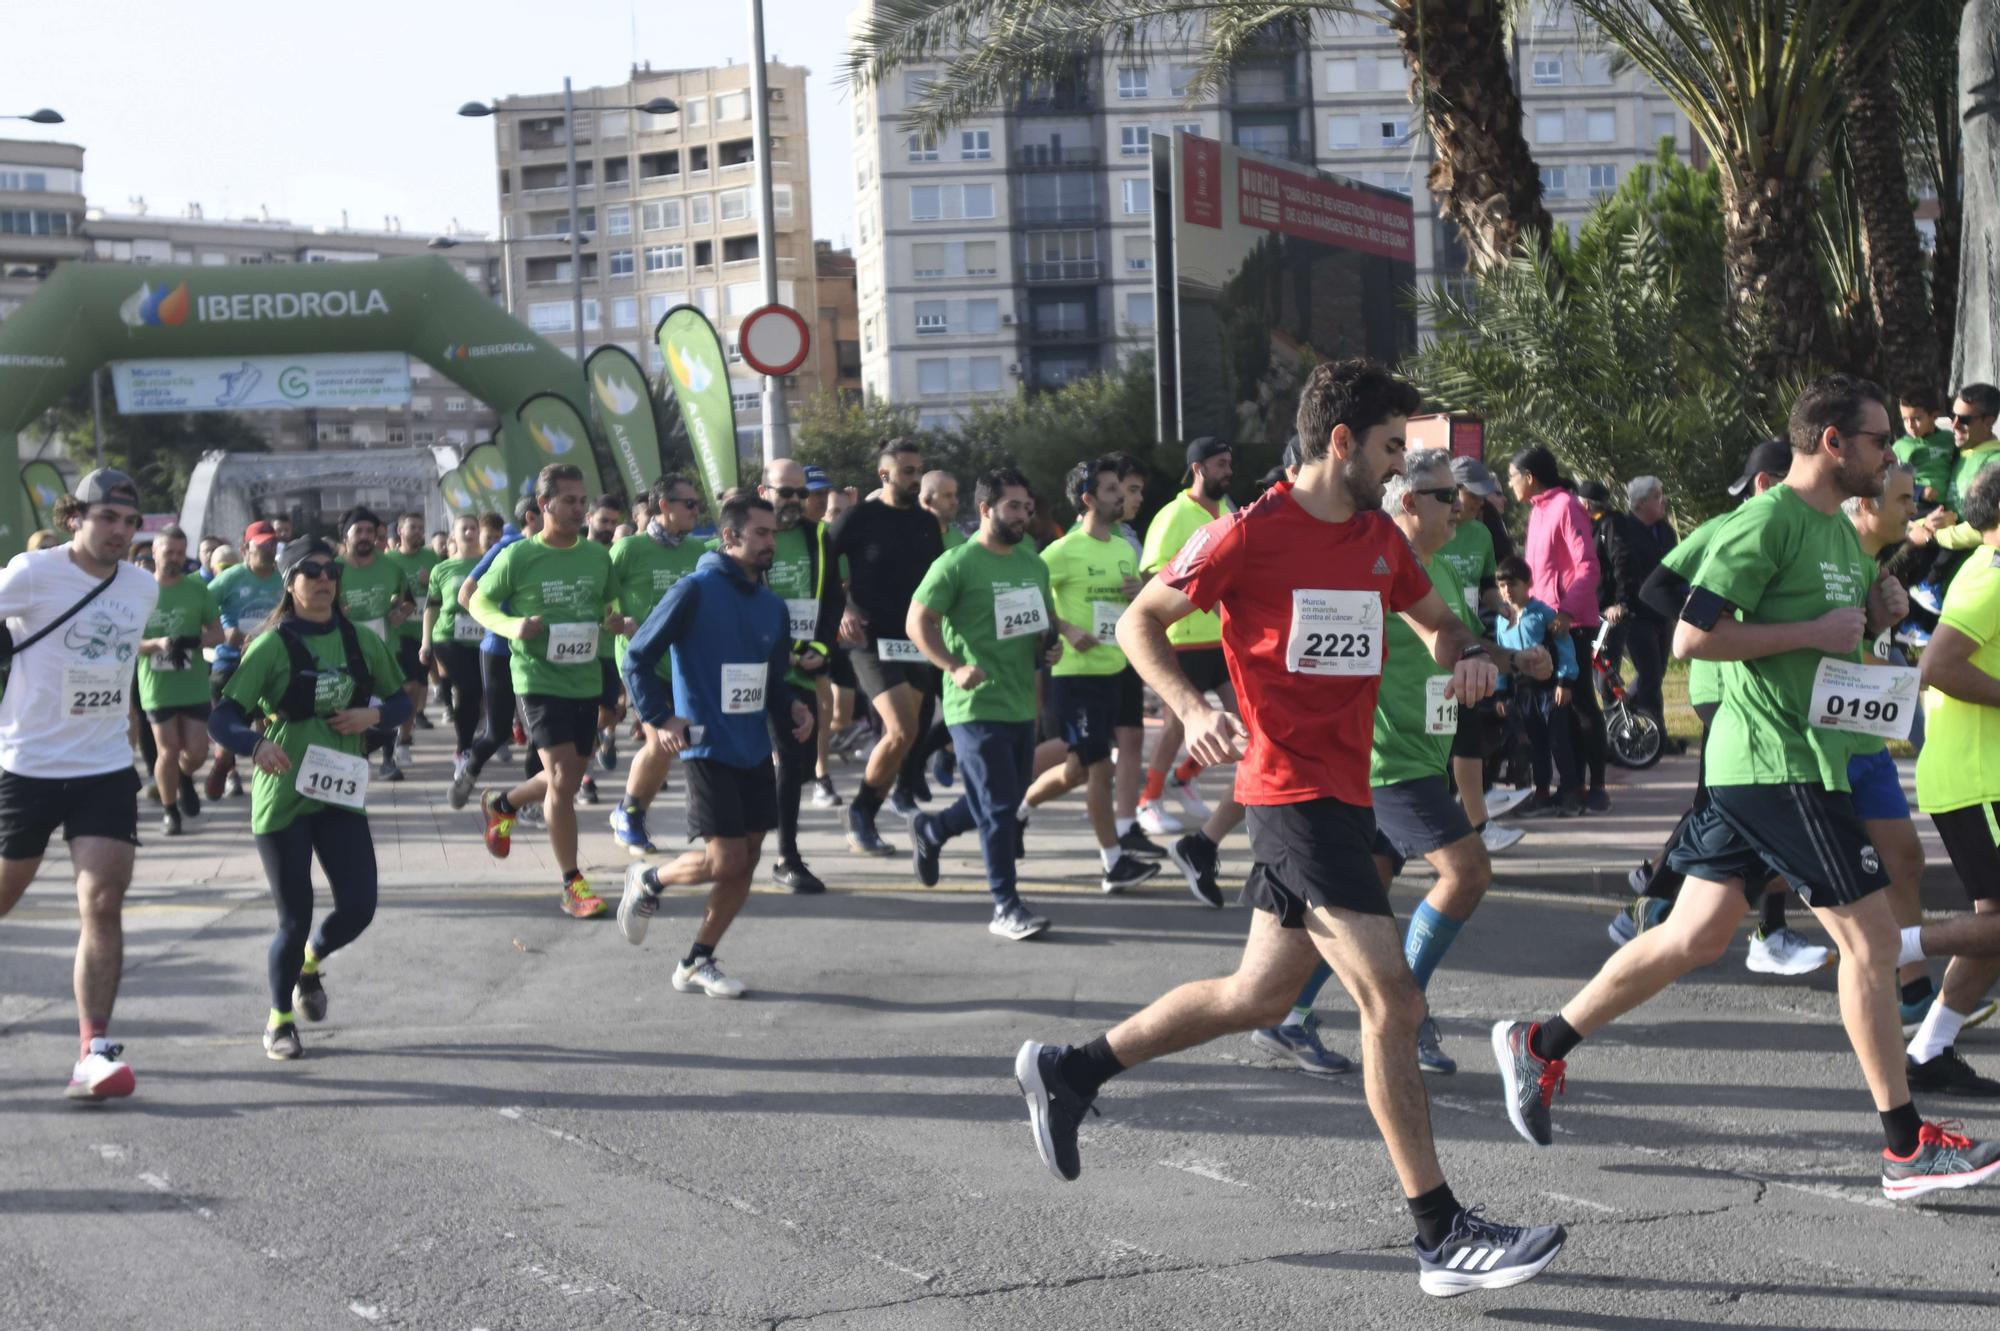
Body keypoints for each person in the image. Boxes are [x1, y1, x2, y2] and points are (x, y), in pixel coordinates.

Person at [1014, 361, 1565, 1295]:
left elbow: (1437, 625)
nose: (1400, 469)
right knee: (1392, 999)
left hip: (1349, 795)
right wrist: (1191, 708)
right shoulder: (1249, 533)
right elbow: (1146, 620)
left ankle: (1069, 1070)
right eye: (1391, 447)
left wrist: (1470, 656)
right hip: (1288, 796)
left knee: (1259, 995)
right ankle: (1440, 1233)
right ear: (1341, 442)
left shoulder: (1376, 544)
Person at [1492, 374, 2000, 1201]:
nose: (1890, 455)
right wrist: (1814, 629)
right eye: (1878, 441)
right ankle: (1906, 1146)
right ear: (1833, 442)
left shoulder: (1836, 531)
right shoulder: (1767, 521)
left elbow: (1821, 633)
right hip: (1775, 761)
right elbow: (1692, 632)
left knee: (1695, 935)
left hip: (1790, 762)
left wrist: (1873, 615)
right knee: (1870, 943)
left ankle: (1540, 1043)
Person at [1253, 451, 1555, 1079]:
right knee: (1467, 871)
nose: (1463, 507)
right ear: (1409, 503)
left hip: (1424, 751)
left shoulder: (1434, 568)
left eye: (1462, 497)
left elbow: (1452, 643)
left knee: (1368, 891)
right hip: (1385, 761)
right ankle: (1406, 1013)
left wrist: (1509, 662)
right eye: (1448, 496)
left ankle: (1288, 1014)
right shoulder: (1371, 566)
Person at [1609, 440, 1832, 977]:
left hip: (1750, 686)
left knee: (1725, 808)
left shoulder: (1805, 531)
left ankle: (1657, 900)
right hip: (1721, 685)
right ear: (1767, 483)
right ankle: (1682, 908)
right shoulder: (1737, 526)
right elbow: (1655, 588)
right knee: (1733, 804)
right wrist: (1723, 624)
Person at [209, 537, 409, 1059]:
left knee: (360, 906)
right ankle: (279, 1020)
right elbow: (223, 716)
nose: (324, 579)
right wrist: (255, 744)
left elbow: (398, 700)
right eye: (310, 571)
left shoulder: (361, 640)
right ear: (289, 582)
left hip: (340, 791)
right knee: (293, 917)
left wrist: (374, 717)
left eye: (331, 570)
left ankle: (311, 963)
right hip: (284, 797)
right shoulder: (272, 645)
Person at [0, 469, 158, 1100]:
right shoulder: (32, 573)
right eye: (107, 518)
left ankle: (93, 1051)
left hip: (103, 769)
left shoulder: (141, 587)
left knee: (103, 902)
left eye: (129, 522)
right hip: (27, 766)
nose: (119, 531)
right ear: (76, 518)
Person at [616, 491, 811, 998]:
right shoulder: (694, 590)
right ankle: (648, 879)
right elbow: (637, 656)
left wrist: (791, 707)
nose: (772, 543)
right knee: (726, 861)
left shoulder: (772, 606)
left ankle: (697, 960)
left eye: (774, 534)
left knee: (747, 857)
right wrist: (659, 717)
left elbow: (771, 677)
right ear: (730, 537)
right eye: (761, 534)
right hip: (704, 744)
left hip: (752, 747)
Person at [906, 469, 1062, 939]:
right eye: (1012, 506)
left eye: (1026, 507)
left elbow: (1043, 626)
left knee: (1002, 799)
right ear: (986, 509)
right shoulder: (957, 563)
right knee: (997, 807)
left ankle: (932, 831)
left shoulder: (1032, 561)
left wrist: (1049, 648)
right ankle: (1005, 905)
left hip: (1019, 702)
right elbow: (919, 622)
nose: (1021, 515)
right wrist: (953, 667)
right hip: (972, 704)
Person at [469, 466, 621, 918]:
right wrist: (513, 625)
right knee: (562, 784)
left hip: (585, 676)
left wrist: (614, 619)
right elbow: (476, 599)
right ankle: (572, 883)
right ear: (544, 506)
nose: (580, 508)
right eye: (570, 500)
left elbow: (610, 600)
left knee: (568, 779)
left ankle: (503, 803)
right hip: (537, 678)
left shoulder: (597, 556)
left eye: (582, 500)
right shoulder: (519, 556)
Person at [1894, 464, 2000, 1091]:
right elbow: (1937, 665)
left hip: (1977, 777)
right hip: (1980, 779)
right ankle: (1892, 949)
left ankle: (1929, 1052)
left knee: (1994, 928)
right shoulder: (1991, 579)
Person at [1017, 458, 1160, 894]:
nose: (1121, 494)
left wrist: (1140, 592)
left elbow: (1133, 607)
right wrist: (1064, 627)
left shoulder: (1120, 548)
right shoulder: (1062, 550)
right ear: (1088, 499)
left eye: (1122, 487)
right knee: (1099, 767)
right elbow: (1029, 596)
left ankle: (1017, 812)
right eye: (1112, 488)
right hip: (1077, 676)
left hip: (1117, 671)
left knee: (1078, 770)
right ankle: (1113, 863)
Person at [828, 439, 945, 854]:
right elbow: (823, 564)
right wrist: (841, 609)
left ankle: (872, 806)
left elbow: (935, 583)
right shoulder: (860, 517)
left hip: (913, 640)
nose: (915, 478)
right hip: (867, 638)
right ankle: (862, 811)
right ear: (885, 474)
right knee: (901, 729)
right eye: (907, 471)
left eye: (918, 470)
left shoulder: (927, 524)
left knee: (907, 736)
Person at [1135, 437, 1235, 838]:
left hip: (1223, 641)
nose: (1229, 470)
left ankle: (1184, 775)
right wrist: (1202, 597)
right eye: (1221, 464)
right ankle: (1149, 800)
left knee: (1242, 723)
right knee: (1177, 725)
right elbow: (1152, 572)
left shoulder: (1228, 509)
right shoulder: (1173, 514)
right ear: (1199, 468)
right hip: (1183, 642)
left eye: (1229, 463)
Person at [606, 474, 707, 855]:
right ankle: (630, 814)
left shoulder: (699, 550)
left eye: (697, 503)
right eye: (689, 504)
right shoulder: (629, 549)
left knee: (677, 745)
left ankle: (628, 811)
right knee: (662, 741)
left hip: (682, 662)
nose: (696, 510)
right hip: (641, 661)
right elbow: (604, 594)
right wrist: (616, 619)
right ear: (664, 506)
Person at [757, 459, 844, 894]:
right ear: (763, 492)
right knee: (766, 762)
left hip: (803, 669)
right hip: (754, 669)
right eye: (784, 492)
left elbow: (831, 603)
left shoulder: (820, 537)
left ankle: (785, 854)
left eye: (798, 493)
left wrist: (821, 648)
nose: (793, 500)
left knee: (796, 764)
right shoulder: (744, 539)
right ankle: (775, 852)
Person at [1509, 447, 1608, 813]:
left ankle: (1596, 787)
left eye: (1512, 475)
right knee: (1553, 711)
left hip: (1572, 624)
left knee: (1581, 704)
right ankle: (1567, 788)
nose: (1509, 483)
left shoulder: (1566, 506)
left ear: (1530, 476)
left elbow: (1588, 567)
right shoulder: (1537, 512)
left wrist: (1566, 612)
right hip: (1542, 625)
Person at [1437, 457, 1529, 849]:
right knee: (1439, 739)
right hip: (1433, 646)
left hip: (1471, 646)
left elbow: (1486, 583)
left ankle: (1476, 825)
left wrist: (1501, 605)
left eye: (1480, 502)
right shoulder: (1431, 532)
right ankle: (1446, 824)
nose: (1475, 508)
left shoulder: (1481, 533)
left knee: (1468, 736)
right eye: (1470, 499)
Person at [450, 498, 541, 807]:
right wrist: (504, 622)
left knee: (537, 732)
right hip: (500, 650)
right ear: (533, 517)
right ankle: (469, 769)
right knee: (498, 730)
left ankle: (530, 803)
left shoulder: (564, 551)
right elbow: (466, 593)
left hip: (538, 654)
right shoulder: (507, 546)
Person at [136, 526, 222, 837]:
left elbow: (218, 634)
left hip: (193, 682)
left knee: (196, 753)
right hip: (157, 685)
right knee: (168, 750)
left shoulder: (198, 589)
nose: (173, 558)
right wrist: (156, 644)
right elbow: (128, 641)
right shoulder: (141, 591)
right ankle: (171, 811)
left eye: (178, 552)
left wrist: (195, 640)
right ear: (154, 553)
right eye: (167, 552)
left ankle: (183, 778)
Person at [331, 507, 414, 783]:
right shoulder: (333, 569)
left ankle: (388, 760)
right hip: (344, 649)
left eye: (370, 531)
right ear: (346, 537)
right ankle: (357, 758)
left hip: (383, 646)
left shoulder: (391, 566)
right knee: (353, 705)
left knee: (388, 702)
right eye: (359, 531)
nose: (366, 537)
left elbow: (408, 599)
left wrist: (400, 613)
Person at [1493, 556, 1580, 815]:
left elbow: (1565, 648)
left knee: (1558, 741)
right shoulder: (1502, 620)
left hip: (1550, 688)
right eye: (1502, 586)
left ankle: (1571, 792)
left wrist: (1565, 681)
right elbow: (1500, 656)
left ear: (1529, 583)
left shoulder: (1544, 614)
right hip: (1523, 691)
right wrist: (1501, 690)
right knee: (1536, 743)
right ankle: (1541, 792)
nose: (1507, 591)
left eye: (1513, 584)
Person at [205, 522, 284, 800]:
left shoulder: (284, 577)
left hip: (273, 661)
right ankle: (224, 766)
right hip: (231, 662)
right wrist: (220, 632)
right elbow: (201, 605)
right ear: (245, 548)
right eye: (261, 544)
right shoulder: (232, 578)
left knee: (270, 723)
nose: (267, 549)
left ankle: (268, 778)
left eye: (272, 543)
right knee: (232, 724)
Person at [1604, 476, 1676, 730]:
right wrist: (1620, 602)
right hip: (1637, 614)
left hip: (1663, 613)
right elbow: (1620, 568)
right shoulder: (1624, 529)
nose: (1662, 500)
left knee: (1656, 675)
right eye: (1657, 496)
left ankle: (1627, 722)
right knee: (1650, 674)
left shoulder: (1665, 531)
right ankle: (1647, 729)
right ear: (1641, 503)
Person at [420, 515, 486, 765]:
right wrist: (426, 642)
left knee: (475, 693)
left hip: (482, 637)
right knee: (467, 687)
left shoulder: (490, 563)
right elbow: (432, 607)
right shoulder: (442, 568)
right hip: (447, 635)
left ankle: (469, 741)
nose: (469, 532)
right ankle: (463, 748)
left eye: (473, 528)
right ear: (453, 537)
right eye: (464, 529)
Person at [386, 511, 438, 766]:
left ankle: (404, 737)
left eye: (421, 527)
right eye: (413, 527)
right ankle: (397, 736)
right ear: (400, 531)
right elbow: (385, 592)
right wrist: (395, 602)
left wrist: (430, 584)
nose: (418, 531)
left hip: (424, 634)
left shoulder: (431, 558)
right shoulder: (389, 560)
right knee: (406, 688)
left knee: (416, 689)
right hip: (399, 634)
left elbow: (440, 592)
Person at [1895, 394, 1955, 509]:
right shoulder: (1901, 447)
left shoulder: (1949, 438)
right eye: (1905, 419)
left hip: (1950, 503)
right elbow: (1894, 482)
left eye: (1916, 419)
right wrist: (1919, 492)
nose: (1910, 425)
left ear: (1934, 415)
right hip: (1918, 507)